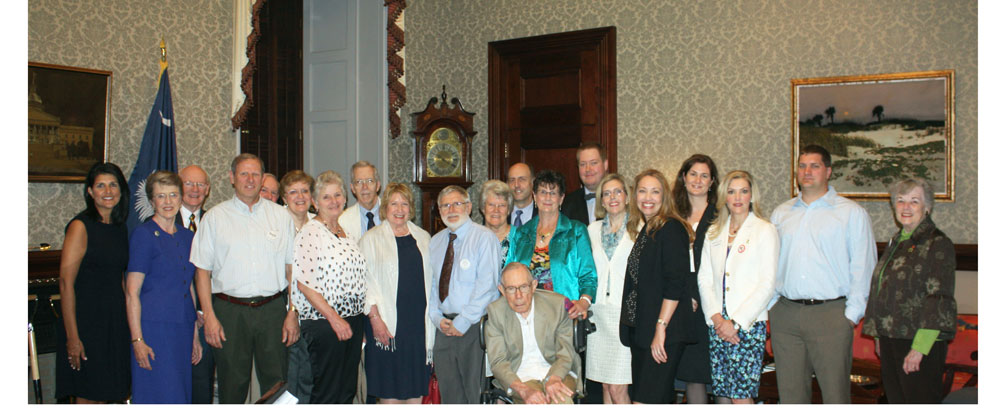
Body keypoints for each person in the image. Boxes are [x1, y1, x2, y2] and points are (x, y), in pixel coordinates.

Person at [769, 145, 877, 403]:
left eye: (814, 166)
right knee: (791, 396)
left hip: (831, 315)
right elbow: (771, 263)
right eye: (802, 166)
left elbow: (864, 267)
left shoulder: (851, 213)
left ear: (828, 171)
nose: (807, 172)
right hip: (786, 314)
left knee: (835, 396)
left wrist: (850, 316)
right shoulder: (781, 213)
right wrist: (772, 306)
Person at [190, 153, 300, 404]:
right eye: (244, 174)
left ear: (262, 178)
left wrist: (292, 311)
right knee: (232, 385)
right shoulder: (215, 218)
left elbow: (292, 270)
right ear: (232, 178)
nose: (250, 180)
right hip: (229, 312)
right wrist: (209, 318)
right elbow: (202, 272)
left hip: (272, 310)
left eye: (255, 174)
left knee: (277, 384)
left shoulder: (280, 216)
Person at [862, 177, 956, 403]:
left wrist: (919, 349)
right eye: (900, 201)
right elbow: (881, 288)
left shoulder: (937, 243)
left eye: (914, 201)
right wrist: (877, 333)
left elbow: (939, 299)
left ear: (927, 207)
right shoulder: (898, 241)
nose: (906, 207)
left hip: (919, 341)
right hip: (891, 338)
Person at [696, 170, 778, 403]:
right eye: (731, 192)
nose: (738, 197)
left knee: (741, 397)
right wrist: (716, 319)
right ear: (724, 197)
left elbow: (767, 283)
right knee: (726, 395)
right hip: (717, 325)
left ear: (752, 195)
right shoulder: (714, 232)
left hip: (747, 325)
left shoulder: (764, 230)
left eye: (744, 191)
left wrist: (736, 323)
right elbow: (704, 279)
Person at [56, 162, 132, 403]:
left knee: (113, 393)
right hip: (87, 324)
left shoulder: (119, 227)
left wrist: (128, 326)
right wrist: (72, 337)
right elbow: (65, 284)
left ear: (121, 190)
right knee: (89, 396)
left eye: (113, 185)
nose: (108, 191)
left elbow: (119, 278)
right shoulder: (80, 226)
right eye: (100, 185)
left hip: (114, 323)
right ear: (90, 191)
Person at [125, 170, 203, 403]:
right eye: (161, 196)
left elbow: (188, 286)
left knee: (180, 394)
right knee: (158, 394)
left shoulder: (188, 237)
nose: (168, 202)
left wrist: (194, 335)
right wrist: (137, 340)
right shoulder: (143, 235)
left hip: (183, 328)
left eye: (173, 195)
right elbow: (131, 293)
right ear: (151, 201)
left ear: (181, 198)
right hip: (153, 330)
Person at [619, 169, 696, 404]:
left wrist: (660, 328)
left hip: (663, 332)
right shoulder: (648, 228)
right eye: (642, 191)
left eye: (655, 191)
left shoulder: (671, 228)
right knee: (653, 400)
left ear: (665, 197)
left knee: (644, 402)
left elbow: (675, 283)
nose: (648, 197)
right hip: (643, 330)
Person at [291, 170, 367, 404]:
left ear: (345, 199)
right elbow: (305, 284)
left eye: (337, 195)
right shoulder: (310, 233)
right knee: (326, 392)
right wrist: (334, 319)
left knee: (345, 391)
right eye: (326, 197)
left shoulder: (346, 233)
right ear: (315, 202)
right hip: (326, 323)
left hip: (352, 320)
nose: (333, 201)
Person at [358, 183, 434, 403]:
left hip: (417, 329)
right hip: (386, 329)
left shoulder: (424, 237)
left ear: (411, 208)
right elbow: (364, 283)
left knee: (415, 394)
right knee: (390, 395)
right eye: (394, 204)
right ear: (385, 208)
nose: (399, 209)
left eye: (405, 204)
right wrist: (375, 319)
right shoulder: (371, 239)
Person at [428, 185, 502, 403]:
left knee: (474, 394)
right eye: (445, 205)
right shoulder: (436, 241)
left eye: (457, 203)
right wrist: (436, 317)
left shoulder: (484, 238)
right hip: (443, 328)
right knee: (450, 395)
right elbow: (432, 284)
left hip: (472, 327)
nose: (451, 209)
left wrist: (463, 321)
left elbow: (487, 286)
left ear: (469, 207)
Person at [505, 169, 597, 320]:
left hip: (564, 314)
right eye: (542, 192)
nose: (547, 197)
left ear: (561, 198)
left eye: (553, 193)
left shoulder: (576, 231)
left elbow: (588, 275)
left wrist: (584, 302)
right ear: (534, 196)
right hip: (525, 315)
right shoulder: (521, 234)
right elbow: (509, 273)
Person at [485, 262, 581, 404]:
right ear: (502, 290)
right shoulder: (495, 312)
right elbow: (498, 362)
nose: (518, 295)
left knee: (562, 402)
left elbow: (565, 353)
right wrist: (523, 390)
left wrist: (553, 378)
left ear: (534, 285)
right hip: (520, 378)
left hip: (558, 372)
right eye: (511, 289)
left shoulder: (557, 305)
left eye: (523, 287)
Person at [671, 154, 720, 403]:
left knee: (720, 377)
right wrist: (683, 295)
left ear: (712, 182)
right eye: (693, 174)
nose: (698, 180)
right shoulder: (672, 214)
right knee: (692, 374)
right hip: (683, 302)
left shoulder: (721, 215)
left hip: (713, 304)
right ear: (683, 177)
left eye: (704, 175)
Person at [585, 173, 635, 403]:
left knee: (618, 388)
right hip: (598, 315)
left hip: (624, 315)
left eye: (618, 192)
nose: (612, 197)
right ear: (601, 200)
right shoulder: (592, 230)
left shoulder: (639, 229)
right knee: (605, 385)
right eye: (607, 193)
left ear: (627, 197)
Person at [177, 164, 214, 404]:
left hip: (208, 318)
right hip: (174, 319)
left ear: (208, 189)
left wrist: (205, 311)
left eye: (200, 184)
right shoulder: (160, 223)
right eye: (188, 183)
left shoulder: (216, 221)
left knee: (202, 388)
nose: (194, 189)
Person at [279, 170, 316, 403]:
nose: (300, 196)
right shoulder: (275, 223)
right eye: (293, 192)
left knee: (310, 373)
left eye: (305, 191)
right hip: (284, 310)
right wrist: (292, 311)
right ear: (284, 198)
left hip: (314, 311)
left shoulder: (319, 225)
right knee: (291, 374)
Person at [562, 143, 609, 225]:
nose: (588, 169)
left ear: (605, 165)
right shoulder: (567, 203)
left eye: (593, 163)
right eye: (583, 164)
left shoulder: (619, 199)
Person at [339, 161, 382, 241]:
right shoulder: (342, 221)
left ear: (378, 185)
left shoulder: (393, 214)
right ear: (352, 188)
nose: (365, 187)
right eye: (359, 182)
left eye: (369, 181)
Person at [480, 179, 514, 265]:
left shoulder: (521, 238)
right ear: (483, 208)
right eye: (491, 205)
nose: (496, 210)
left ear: (509, 209)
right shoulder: (473, 238)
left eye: (502, 205)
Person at [507, 163, 537, 227]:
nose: (516, 185)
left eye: (522, 179)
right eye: (512, 180)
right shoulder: (499, 214)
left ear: (533, 182)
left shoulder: (543, 214)